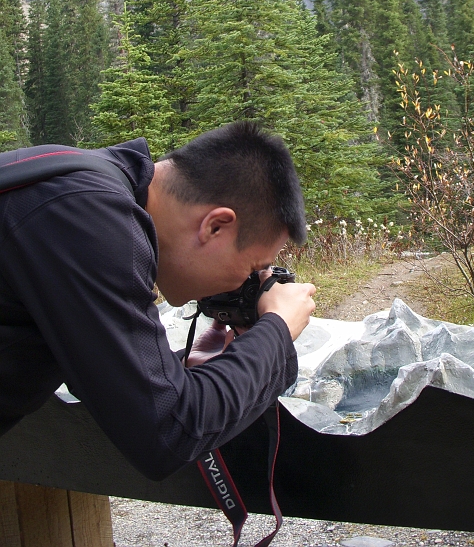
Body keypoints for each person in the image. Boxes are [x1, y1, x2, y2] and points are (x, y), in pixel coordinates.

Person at [0, 121, 316, 480]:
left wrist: (181, 372)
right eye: (252, 268)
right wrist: (277, 328)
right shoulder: (91, 223)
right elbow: (169, 431)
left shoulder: (83, 186)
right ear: (215, 226)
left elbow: (118, 384)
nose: (246, 282)